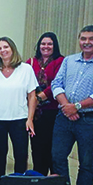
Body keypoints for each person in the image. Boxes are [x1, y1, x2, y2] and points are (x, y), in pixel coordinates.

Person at [51, 25, 93, 185]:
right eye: (83, 39)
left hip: (89, 120)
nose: (87, 42)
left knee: (86, 161)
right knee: (58, 156)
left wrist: (76, 107)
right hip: (63, 117)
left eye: (91, 39)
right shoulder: (69, 61)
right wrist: (66, 107)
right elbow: (56, 84)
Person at [0, 37, 38, 179]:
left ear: (12, 48)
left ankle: (18, 183)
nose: (3, 50)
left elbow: (32, 96)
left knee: (20, 154)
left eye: (5, 47)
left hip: (19, 118)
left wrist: (30, 119)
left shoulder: (26, 69)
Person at [27, 32, 65, 176]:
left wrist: (39, 98)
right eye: (43, 43)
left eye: (49, 44)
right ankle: (39, 180)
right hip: (34, 113)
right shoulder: (31, 62)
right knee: (37, 148)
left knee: (52, 149)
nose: (46, 46)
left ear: (54, 46)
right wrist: (32, 102)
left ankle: (53, 184)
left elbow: (57, 83)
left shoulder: (61, 61)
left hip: (52, 111)